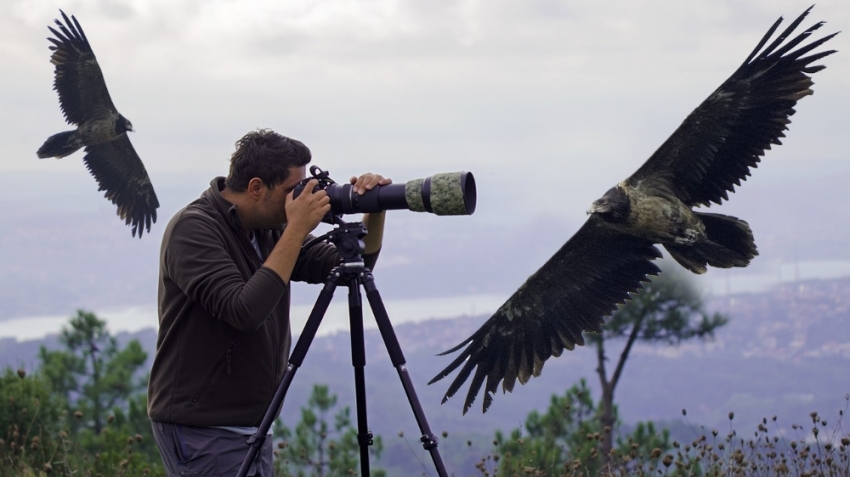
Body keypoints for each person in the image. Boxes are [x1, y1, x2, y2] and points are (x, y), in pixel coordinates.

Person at [147, 129, 390, 476]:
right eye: (293, 190)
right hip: (202, 427)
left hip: (252, 427)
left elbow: (351, 263)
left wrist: (374, 210)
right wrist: (296, 228)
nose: (302, 197)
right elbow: (244, 310)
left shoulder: (268, 227)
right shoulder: (193, 229)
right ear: (256, 187)